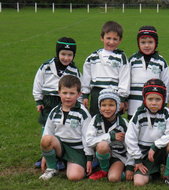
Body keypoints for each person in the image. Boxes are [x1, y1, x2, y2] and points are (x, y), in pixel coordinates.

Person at [32, 37, 81, 168]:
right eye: (63, 54)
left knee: (63, 126)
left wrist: (79, 103)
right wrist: (38, 100)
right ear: (57, 53)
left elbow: (78, 87)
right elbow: (38, 83)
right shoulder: (46, 66)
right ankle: (46, 154)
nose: (66, 58)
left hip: (65, 101)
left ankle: (61, 156)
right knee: (47, 128)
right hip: (48, 100)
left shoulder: (74, 71)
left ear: (73, 55)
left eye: (70, 55)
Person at [125, 79, 169, 188]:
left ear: (163, 99)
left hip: (161, 150)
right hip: (144, 154)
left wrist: (155, 145)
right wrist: (137, 160)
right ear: (144, 99)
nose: (154, 103)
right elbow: (130, 138)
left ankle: (168, 175)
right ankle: (153, 172)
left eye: (158, 99)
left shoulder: (168, 113)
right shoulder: (139, 114)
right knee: (139, 182)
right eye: (150, 99)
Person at [39, 75, 93, 181]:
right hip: (60, 147)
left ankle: (68, 163)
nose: (68, 97)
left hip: (77, 150)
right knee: (46, 139)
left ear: (79, 94)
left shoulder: (83, 113)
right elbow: (47, 132)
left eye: (72, 93)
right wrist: (45, 155)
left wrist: (89, 158)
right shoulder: (54, 111)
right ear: (59, 92)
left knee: (74, 177)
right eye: (64, 93)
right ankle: (51, 168)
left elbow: (88, 137)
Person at [82, 21, 130, 117]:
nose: (111, 42)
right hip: (96, 94)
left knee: (113, 121)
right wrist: (85, 95)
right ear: (102, 38)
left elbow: (125, 78)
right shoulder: (93, 57)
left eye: (115, 39)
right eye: (108, 38)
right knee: (95, 120)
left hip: (113, 94)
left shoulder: (121, 57)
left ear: (120, 40)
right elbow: (86, 77)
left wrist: (122, 98)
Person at [86, 89, 134, 181]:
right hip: (101, 153)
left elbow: (131, 146)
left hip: (118, 156)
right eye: (103, 105)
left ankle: (124, 173)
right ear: (99, 107)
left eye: (111, 105)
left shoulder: (123, 124)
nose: (107, 109)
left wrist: (129, 166)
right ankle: (104, 171)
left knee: (113, 178)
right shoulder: (96, 119)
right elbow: (89, 141)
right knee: (102, 145)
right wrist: (111, 137)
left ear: (118, 106)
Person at [127, 26, 169, 120]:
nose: (146, 45)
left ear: (156, 43)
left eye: (150, 42)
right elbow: (126, 81)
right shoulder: (132, 60)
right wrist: (125, 99)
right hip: (134, 103)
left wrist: (164, 103)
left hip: (154, 104)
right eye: (143, 42)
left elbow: (166, 83)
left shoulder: (161, 62)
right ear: (138, 43)